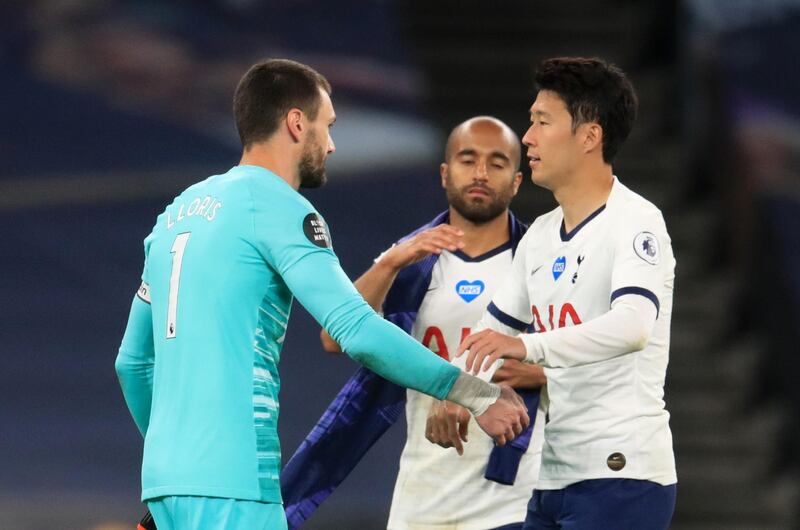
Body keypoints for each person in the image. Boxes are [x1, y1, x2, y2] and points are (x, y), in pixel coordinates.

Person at [114, 58, 529, 530]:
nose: (331, 144)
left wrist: (181, 465)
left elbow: (132, 363)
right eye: (327, 126)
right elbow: (354, 329)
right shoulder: (281, 208)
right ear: (296, 123)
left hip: (167, 485)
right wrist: (475, 392)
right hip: (233, 483)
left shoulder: (176, 213)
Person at [280, 117, 547, 530]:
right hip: (422, 498)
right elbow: (334, 338)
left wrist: (464, 390)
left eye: (496, 163)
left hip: (511, 497)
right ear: (445, 173)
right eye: (467, 159)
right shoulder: (409, 260)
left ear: (515, 182)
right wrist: (390, 262)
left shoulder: (541, 265)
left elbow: (576, 360)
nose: (480, 173)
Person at [454, 57, 678, 529]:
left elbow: (635, 324)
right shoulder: (540, 236)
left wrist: (529, 346)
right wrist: (453, 390)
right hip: (552, 479)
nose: (528, 137)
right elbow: (488, 336)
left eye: (541, 122)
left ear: (589, 136)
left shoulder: (637, 222)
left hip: (622, 475)